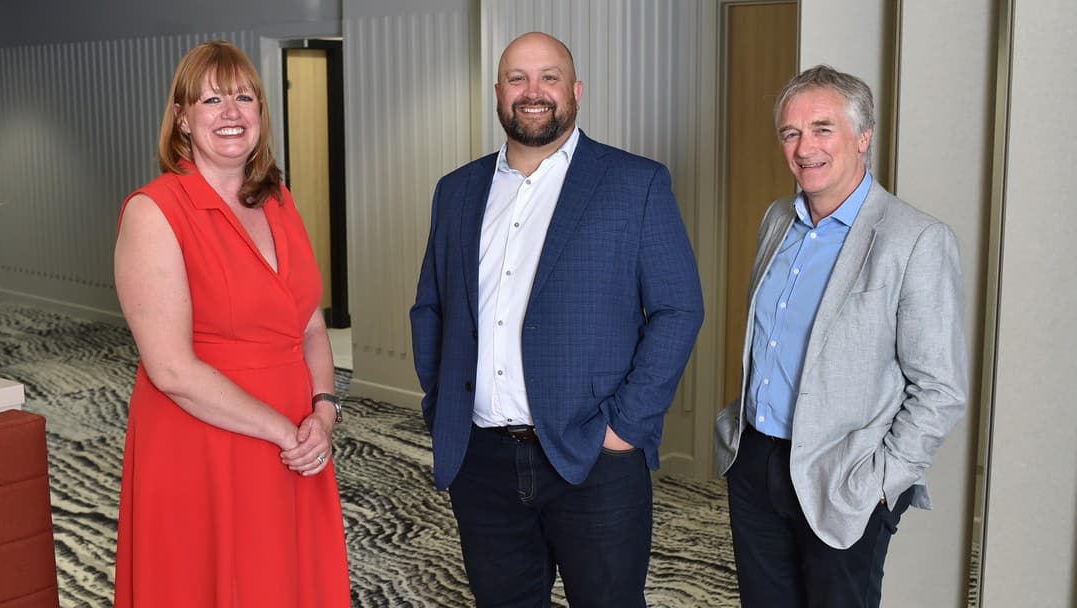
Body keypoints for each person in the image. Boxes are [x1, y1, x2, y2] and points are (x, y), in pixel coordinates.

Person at [410, 31, 704, 607]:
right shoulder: (457, 190)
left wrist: (625, 427)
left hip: (595, 457)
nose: (533, 91)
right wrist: (442, 405)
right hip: (482, 459)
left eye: (549, 77)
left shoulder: (635, 183)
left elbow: (678, 308)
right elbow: (431, 307)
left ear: (576, 90)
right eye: (517, 78)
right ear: (499, 91)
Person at [714, 64, 968, 608]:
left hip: (846, 476)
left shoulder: (916, 239)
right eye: (791, 132)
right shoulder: (777, 219)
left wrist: (881, 483)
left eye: (822, 129)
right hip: (756, 460)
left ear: (863, 136)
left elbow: (940, 388)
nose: (804, 147)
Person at [112, 41, 350, 606]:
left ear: (261, 112)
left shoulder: (278, 200)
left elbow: (309, 326)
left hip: (296, 438)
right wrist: (284, 432)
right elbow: (171, 370)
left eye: (244, 98)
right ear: (182, 118)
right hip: (204, 440)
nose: (231, 113)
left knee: (287, 578)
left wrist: (323, 412)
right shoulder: (154, 211)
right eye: (212, 100)